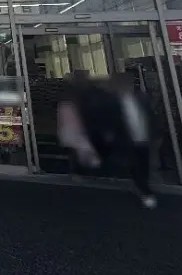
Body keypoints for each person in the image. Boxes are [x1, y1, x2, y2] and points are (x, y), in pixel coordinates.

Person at [59, 71, 157, 209]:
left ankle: (142, 187)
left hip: (141, 136)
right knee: (135, 164)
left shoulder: (138, 98)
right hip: (126, 138)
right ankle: (144, 190)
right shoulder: (111, 100)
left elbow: (150, 117)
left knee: (143, 163)